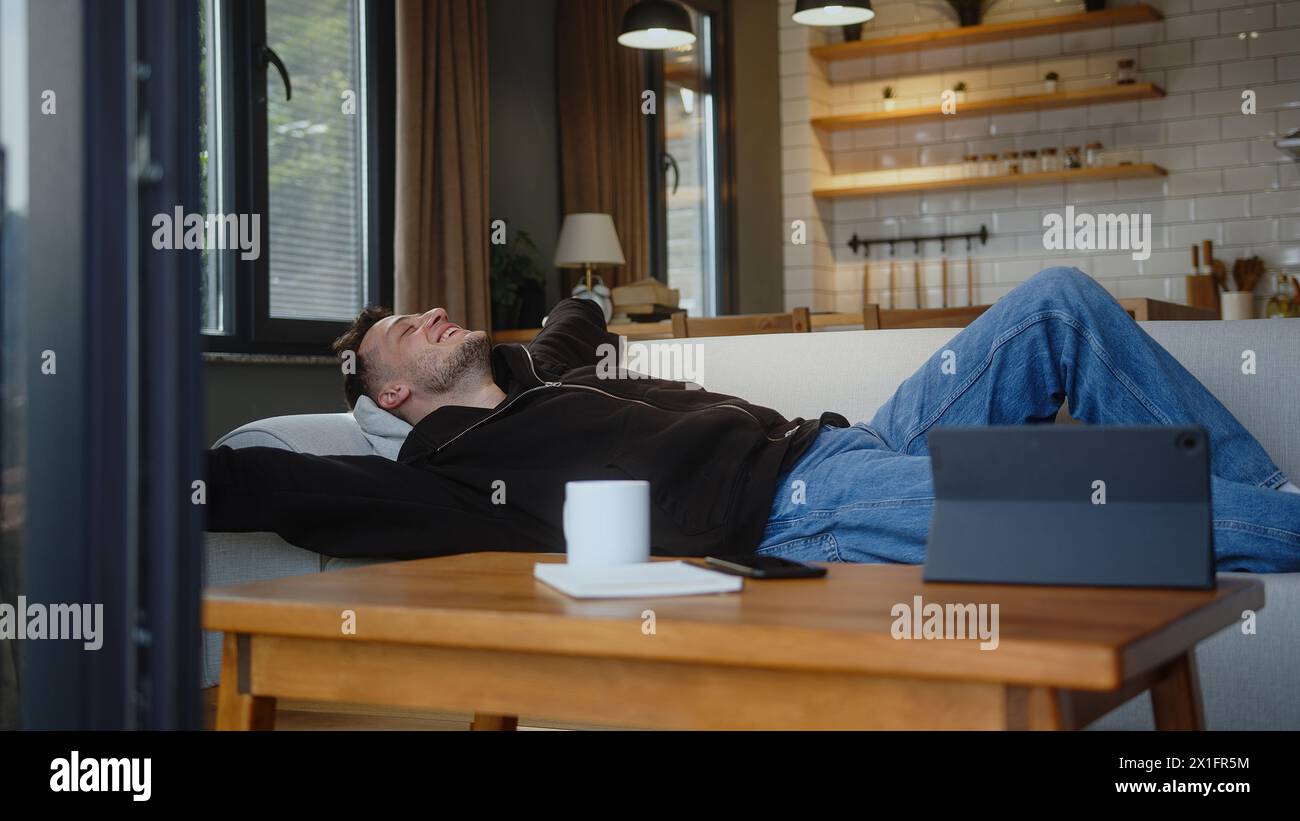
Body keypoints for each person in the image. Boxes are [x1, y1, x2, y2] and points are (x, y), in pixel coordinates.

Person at [206, 267, 1300, 572]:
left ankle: (1274, 498)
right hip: (800, 504)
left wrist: (584, 300)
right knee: (1087, 501)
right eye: (405, 325)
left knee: (1055, 301)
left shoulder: (528, 379)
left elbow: (574, 326)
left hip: (845, 436)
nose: (432, 310)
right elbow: (286, 482)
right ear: (388, 393)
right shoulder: (443, 472)